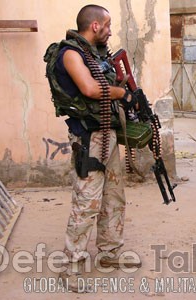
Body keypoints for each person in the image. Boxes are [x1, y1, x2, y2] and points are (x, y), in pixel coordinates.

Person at [44, 4, 141, 292]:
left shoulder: (96, 54)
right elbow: (88, 88)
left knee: (114, 197)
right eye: (108, 25)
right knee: (86, 204)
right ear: (95, 26)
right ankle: (71, 269)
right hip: (88, 139)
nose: (110, 31)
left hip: (106, 133)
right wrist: (123, 93)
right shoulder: (70, 54)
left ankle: (110, 253)